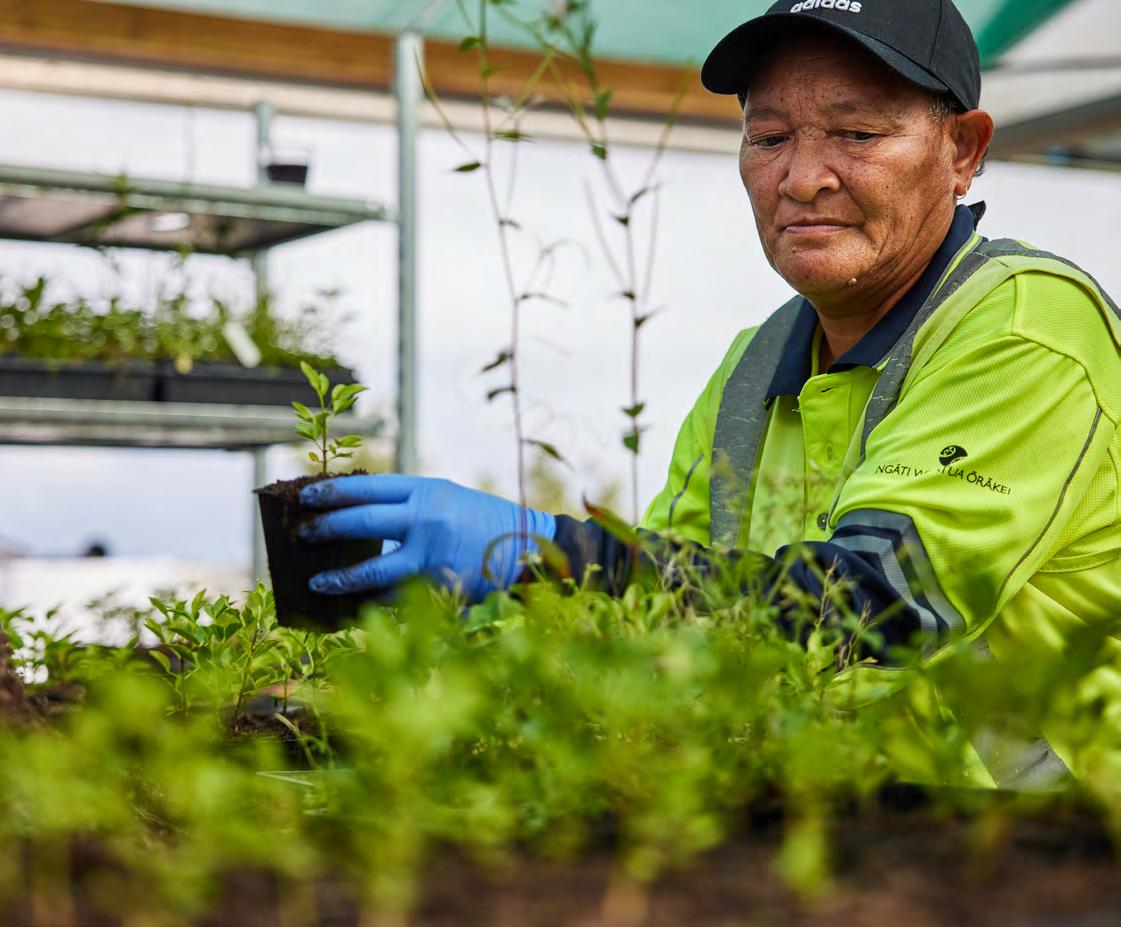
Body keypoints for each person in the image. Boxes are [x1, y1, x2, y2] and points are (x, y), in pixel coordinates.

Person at [299, 0, 1121, 786]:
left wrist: (546, 556)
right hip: (824, 825)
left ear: (962, 151)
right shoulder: (755, 367)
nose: (802, 178)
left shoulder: (1026, 329)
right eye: (769, 137)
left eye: (857, 134)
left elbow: (876, 605)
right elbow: (657, 618)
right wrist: (423, 658)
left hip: (1047, 843)